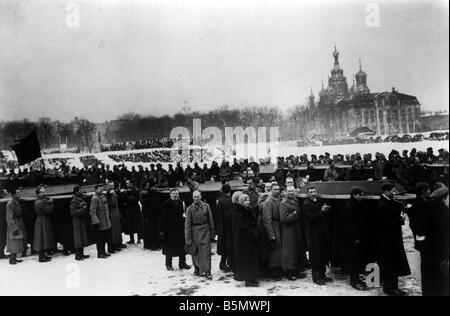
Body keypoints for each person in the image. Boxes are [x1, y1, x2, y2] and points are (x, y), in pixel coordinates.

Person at [376, 182, 411, 296]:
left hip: (393, 239)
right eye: (392, 190)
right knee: (389, 265)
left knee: (393, 264)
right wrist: (400, 220)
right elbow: (386, 223)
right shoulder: (382, 205)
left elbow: (395, 207)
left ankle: (393, 288)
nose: (394, 192)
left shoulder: (388, 202)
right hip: (388, 241)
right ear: (386, 191)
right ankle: (390, 289)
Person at [419, 186, 449, 296]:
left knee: (428, 277)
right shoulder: (445, 213)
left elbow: (420, 231)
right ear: (444, 198)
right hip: (441, 252)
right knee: (441, 280)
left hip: (427, 251)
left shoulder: (426, 209)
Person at [302, 186, 332, 285]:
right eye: (311, 192)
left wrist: (325, 211)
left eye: (314, 191)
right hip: (314, 234)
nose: (313, 193)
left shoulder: (319, 201)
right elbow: (311, 218)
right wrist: (322, 211)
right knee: (315, 256)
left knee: (322, 254)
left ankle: (323, 275)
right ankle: (316, 278)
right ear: (308, 194)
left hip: (322, 232)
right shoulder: (306, 204)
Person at [231, 192, 260, 287]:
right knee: (247, 260)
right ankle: (248, 279)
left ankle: (251, 277)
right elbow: (242, 227)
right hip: (244, 240)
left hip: (249, 238)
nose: (248, 202)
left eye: (248, 200)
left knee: (251, 259)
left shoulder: (248, 210)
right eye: (245, 200)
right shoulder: (239, 212)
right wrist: (251, 233)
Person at [343, 186, 369, 291]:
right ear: (354, 195)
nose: (362, 197)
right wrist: (355, 238)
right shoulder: (349, 206)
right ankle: (354, 281)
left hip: (360, 237)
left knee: (358, 260)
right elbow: (350, 224)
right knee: (354, 261)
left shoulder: (359, 204)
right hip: (354, 239)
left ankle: (357, 279)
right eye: (360, 195)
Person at [185, 190, 215, 279]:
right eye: (194, 197)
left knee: (206, 252)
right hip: (195, 232)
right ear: (192, 198)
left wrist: (212, 232)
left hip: (205, 231)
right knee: (195, 252)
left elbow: (211, 220)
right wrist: (188, 239)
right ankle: (197, 268)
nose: (196, 198)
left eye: (198, 196)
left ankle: (207, 271)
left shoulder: (206, 206)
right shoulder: (189, 209)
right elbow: (187, 225)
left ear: (201, 196)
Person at [280, 185, 306, 280]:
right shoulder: (283, 203)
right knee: (289, 251)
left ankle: (296, 270)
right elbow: (283, 219)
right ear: (286, 192)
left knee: (297, 250)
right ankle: (289, 272)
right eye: (289, 191)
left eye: (292, 190)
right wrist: (293, 215)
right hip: (289, 230)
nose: (291, 192)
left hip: (296, 228)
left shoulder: (295, 201)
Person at [160, 189, 191, 271]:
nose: (175, 195)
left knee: (181, 247)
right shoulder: (166, 204)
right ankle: (168, 264)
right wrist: (162, 230)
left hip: (180, 228)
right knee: (169, 248)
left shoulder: (181, 203)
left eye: (176, 193)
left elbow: (183, 215)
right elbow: (162, 218)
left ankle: (182, 263)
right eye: (173, 193)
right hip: (169, 230)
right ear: (170, 194)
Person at [33, 185, 55, 263]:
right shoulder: (41, 202)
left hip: (40, 220)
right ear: (38, 194)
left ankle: (42, 255)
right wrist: (51, 203)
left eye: (44, 192)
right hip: (43, 220)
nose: (44, 193)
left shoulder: (38, 201)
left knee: (41, 238)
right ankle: (41, 257)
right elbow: (49, 210)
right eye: (42, 192)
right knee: (43, 238)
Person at [90, 184, 113, 259]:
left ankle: (104, 252)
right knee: (100, 239)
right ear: (96, 190)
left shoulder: (103, 196)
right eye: (100, 189)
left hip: (106, 221)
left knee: (104, 238)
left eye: (102, 189)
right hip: (99, 222)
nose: (101, 190)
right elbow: (92, 211)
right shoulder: (94, 198)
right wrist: (96, 222)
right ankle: (100, 253)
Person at [6, 187, 27, 265]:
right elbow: (9, 217)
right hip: (14, 223)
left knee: (18, 241)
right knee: (13, 242)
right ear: (14, 195)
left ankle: (14, 258)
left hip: (18, 222)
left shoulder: (16, 202)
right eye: (18, 193)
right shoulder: (10, 204)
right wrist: (14, 228)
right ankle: (12, 259)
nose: (20, 194)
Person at [70, 185, 90, 261]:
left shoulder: (80, 198)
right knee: (78, 237)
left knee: (82, 236)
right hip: (77, 220)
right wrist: (82, 209)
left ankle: (81, 254)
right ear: (76, 192)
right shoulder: (74, 200)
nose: (82, 191)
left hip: (81, 219)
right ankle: (78, 255)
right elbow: (72, 212)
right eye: (80, 190)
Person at [216, 184, 233, 272]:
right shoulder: (228, 200)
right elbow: (228, 215)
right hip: (227, 227)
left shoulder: (220, 200)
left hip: (222, 226)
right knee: (228, 246)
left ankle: (223, 263)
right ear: (230, 191)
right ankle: (226, 264)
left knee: (224, 246)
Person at [141, 181, 162, 250]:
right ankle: (150, 244)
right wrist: (146, 216)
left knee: (155, 230)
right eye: (154, 186)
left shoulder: (156, 194)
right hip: (149, 216)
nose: (155, 188)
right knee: (149, 231)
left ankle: (155, 243)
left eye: (156, 186)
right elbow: (144, 207)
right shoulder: (146, 195)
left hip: (156, 215)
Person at [106, 181, 125, 252]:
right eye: (111, 185)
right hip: (112, 212)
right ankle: (115, 243)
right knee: (114, 229)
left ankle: (119, 242)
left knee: (118, 228)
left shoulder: (113, 192)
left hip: (116, 211)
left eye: (113, 185)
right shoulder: (108, 193)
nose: (112, 186)